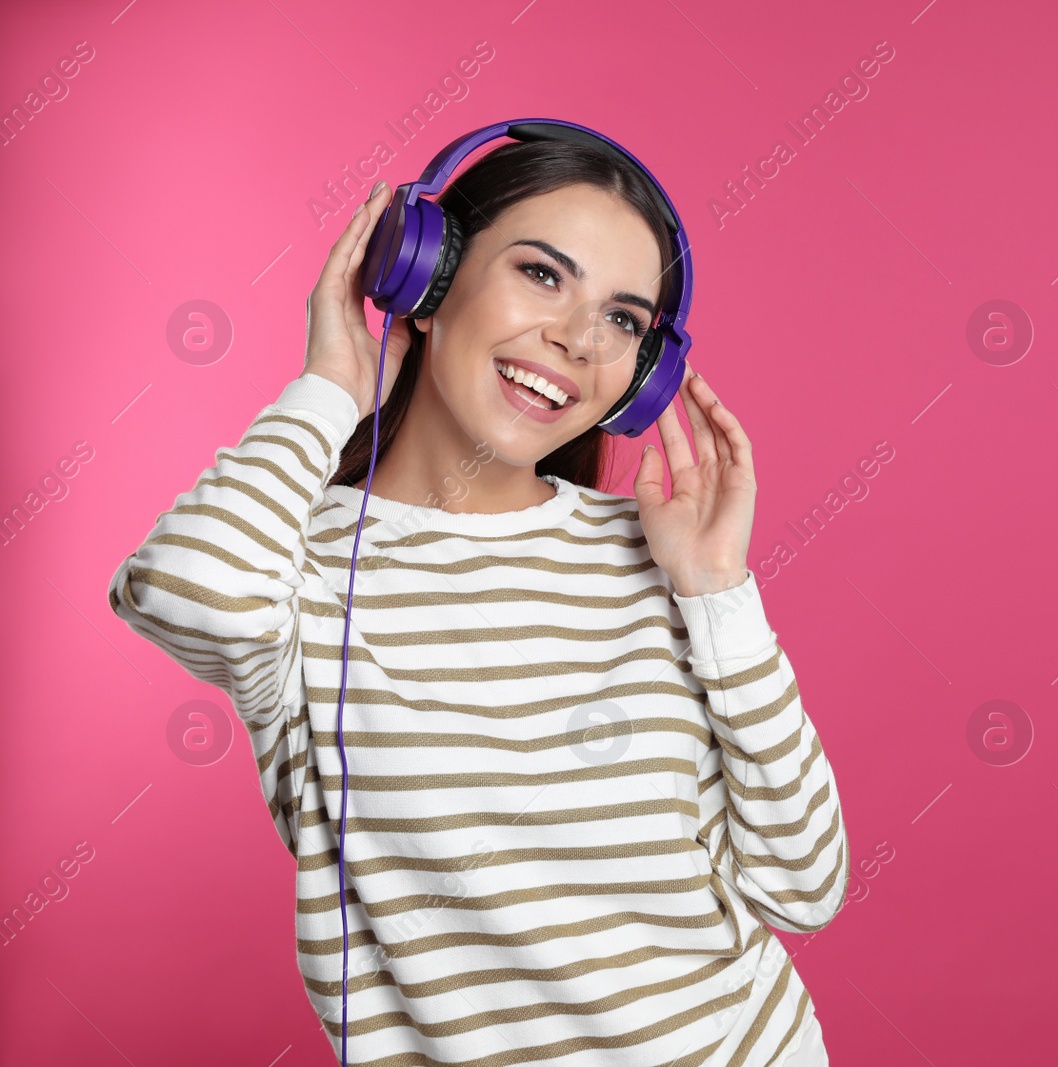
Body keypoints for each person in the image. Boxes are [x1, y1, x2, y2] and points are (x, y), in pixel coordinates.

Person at [106, 136, 845, 1066]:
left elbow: (804, 885)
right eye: (542, 274)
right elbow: (188, 592)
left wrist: (718, 593)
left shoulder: (655, 555)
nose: (578, 339)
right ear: (425, 274)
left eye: (622, 320)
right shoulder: (297, 563)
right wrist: (329, 387)